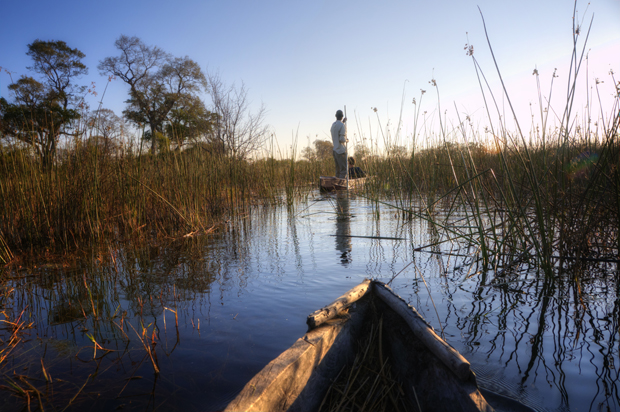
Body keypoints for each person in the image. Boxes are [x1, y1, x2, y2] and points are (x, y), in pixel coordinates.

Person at [330, 110, 348, 179]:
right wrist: (347, 140)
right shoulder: (342, 125)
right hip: (341, 151)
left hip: (335, 150)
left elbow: (337, 131)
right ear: (342, 116)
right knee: (343, 170)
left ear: (336, 116)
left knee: (337, 171)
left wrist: (343, 122)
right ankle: (342, 186)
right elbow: (341, 139)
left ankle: (335, 184)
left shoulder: (333, 125)